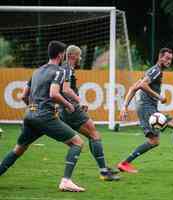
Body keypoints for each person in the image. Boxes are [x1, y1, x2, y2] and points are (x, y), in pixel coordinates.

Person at [0, 41, 86, 192]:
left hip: (30, 115)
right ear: (60, 55)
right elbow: (54, 93)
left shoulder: (37, 71)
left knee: (18, 149)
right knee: (77, 143)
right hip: (45, 116)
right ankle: (66, 181)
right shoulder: (60, 71)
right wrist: (68, 105)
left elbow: (23, 96)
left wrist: (33, 108)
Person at [117, 48, 173, 173]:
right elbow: (143, 85)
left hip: (147, 107)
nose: (169, 61)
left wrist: (124, 107)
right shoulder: (156, 70)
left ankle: (125, 163)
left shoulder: (152, 70)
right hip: (147, 108)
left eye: (170, 59)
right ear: (160, 57)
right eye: (166, 58)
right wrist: (159, 97)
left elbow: (134, 88)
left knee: (154, 141)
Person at [59, 45, 120, 181]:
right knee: (94, 134)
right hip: (72, 110)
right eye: (79, 56)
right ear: (73, 56)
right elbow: (66, 89)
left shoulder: (62, 68)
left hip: (65, 110)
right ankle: (104, 171)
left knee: (91, 136)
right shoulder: (67, 68)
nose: (80, 58)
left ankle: (103, 168)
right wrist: (79, 101)